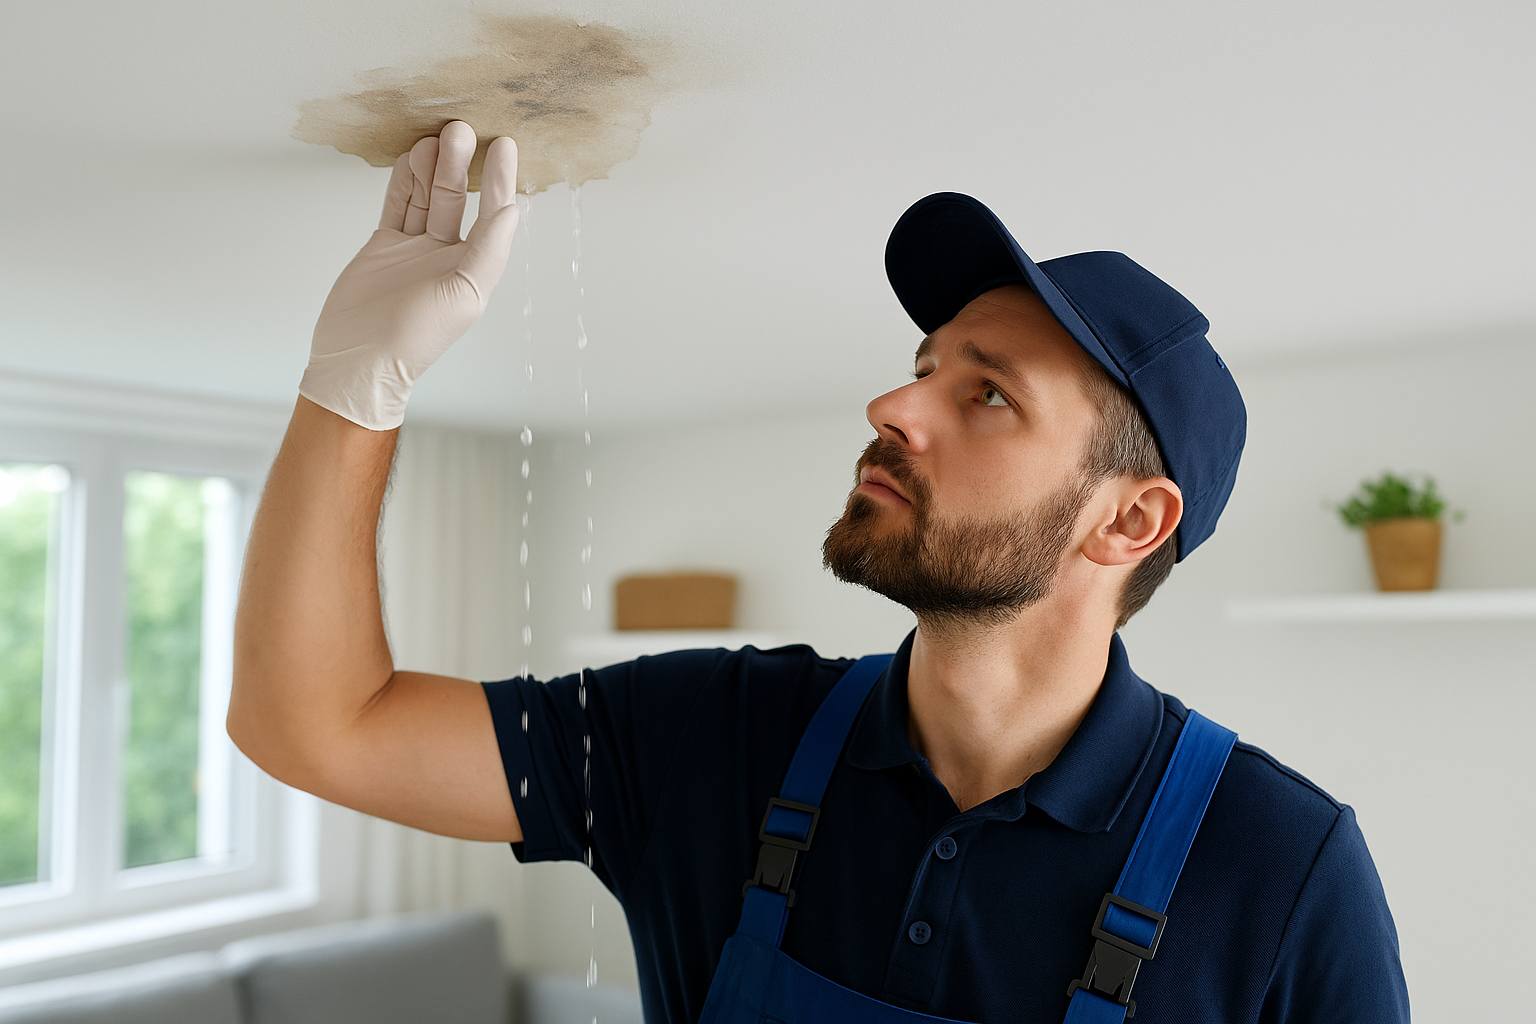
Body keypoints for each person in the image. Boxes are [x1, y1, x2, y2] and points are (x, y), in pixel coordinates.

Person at [229, 120, 1410, 1023]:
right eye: (922, 365)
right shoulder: (710, 738)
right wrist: (354, 387)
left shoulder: (1282, 868)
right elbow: (316, 723)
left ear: (1130, 521)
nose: (892, 404)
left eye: (984, 393)